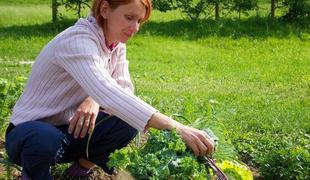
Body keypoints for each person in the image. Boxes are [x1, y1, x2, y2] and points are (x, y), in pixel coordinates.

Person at [5, 0, 215, 179]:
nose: (135, 28)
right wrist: (178, 128)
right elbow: (108, 91)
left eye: (140, 21)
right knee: (43, 138)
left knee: (127, 121)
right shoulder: (78, 40)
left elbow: (123, 90)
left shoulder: (115, 44)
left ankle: (78, 172)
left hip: (70, 131)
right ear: (105, 9)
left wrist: (93, 99)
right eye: (129, 17)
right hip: (28, 134)